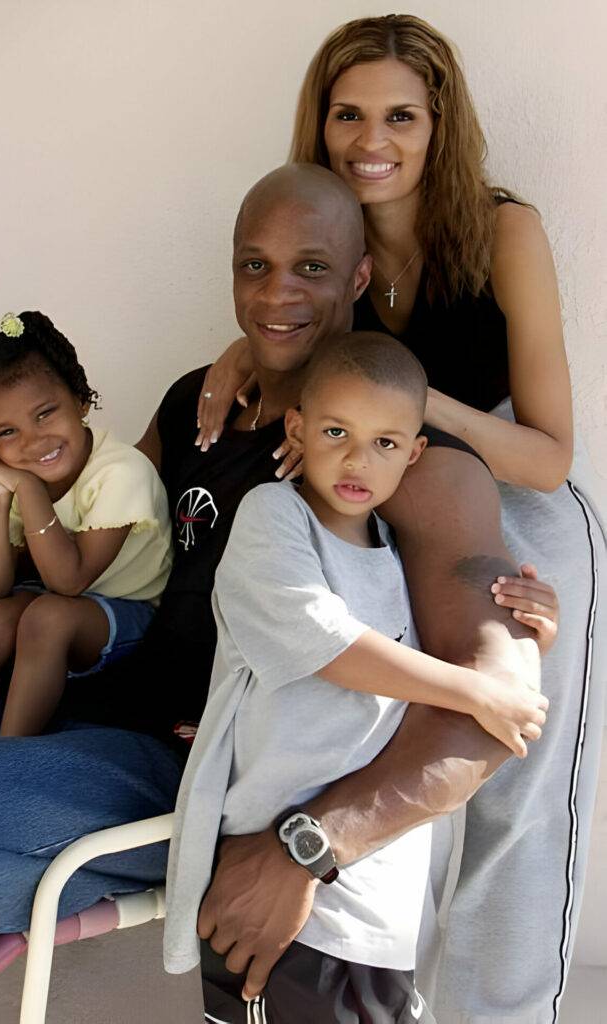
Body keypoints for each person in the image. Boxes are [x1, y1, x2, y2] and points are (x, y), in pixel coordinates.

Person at [0, 165, 555, 1021]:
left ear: (360, 278)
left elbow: (496, 708)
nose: (276, 293)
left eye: (311, 267)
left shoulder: (403, 463)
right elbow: (82, 552)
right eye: (253, 266)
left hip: (188, 772)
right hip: (74, 721)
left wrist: (310, 846)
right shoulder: (200, 404)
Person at [196, 16, 605, 1024]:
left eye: (400, 116)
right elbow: (294, 341)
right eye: (348, 114)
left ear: (440, 125)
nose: (370, 138)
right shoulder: (326, 234)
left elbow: (551, 452)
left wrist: (415, 402)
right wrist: (245, 355)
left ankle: (510, 1011)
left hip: (519, 498)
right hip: (392, 499)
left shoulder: (503, 229)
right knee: (377, 745)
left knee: (514, 781)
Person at [165, 330, 550, 1024]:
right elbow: (326, 641)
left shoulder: (398, 557)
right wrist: (475, 689)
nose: (356, 458)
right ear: (298, 430)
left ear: (414, 453)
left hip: (375, 905)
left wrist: (530, 626)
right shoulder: (272, 518)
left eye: (384, 443)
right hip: (272, 885)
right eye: (337, 431)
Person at [0, 310, 171, 745]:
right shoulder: (25, 480)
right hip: (68, 605)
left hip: (135, 618)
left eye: (45, 414)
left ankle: (9, 755)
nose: (32, 441)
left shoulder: (121, 471)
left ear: (81, 399)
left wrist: (25, 488)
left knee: (47, 616)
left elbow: (69, 581)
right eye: (7, 431)